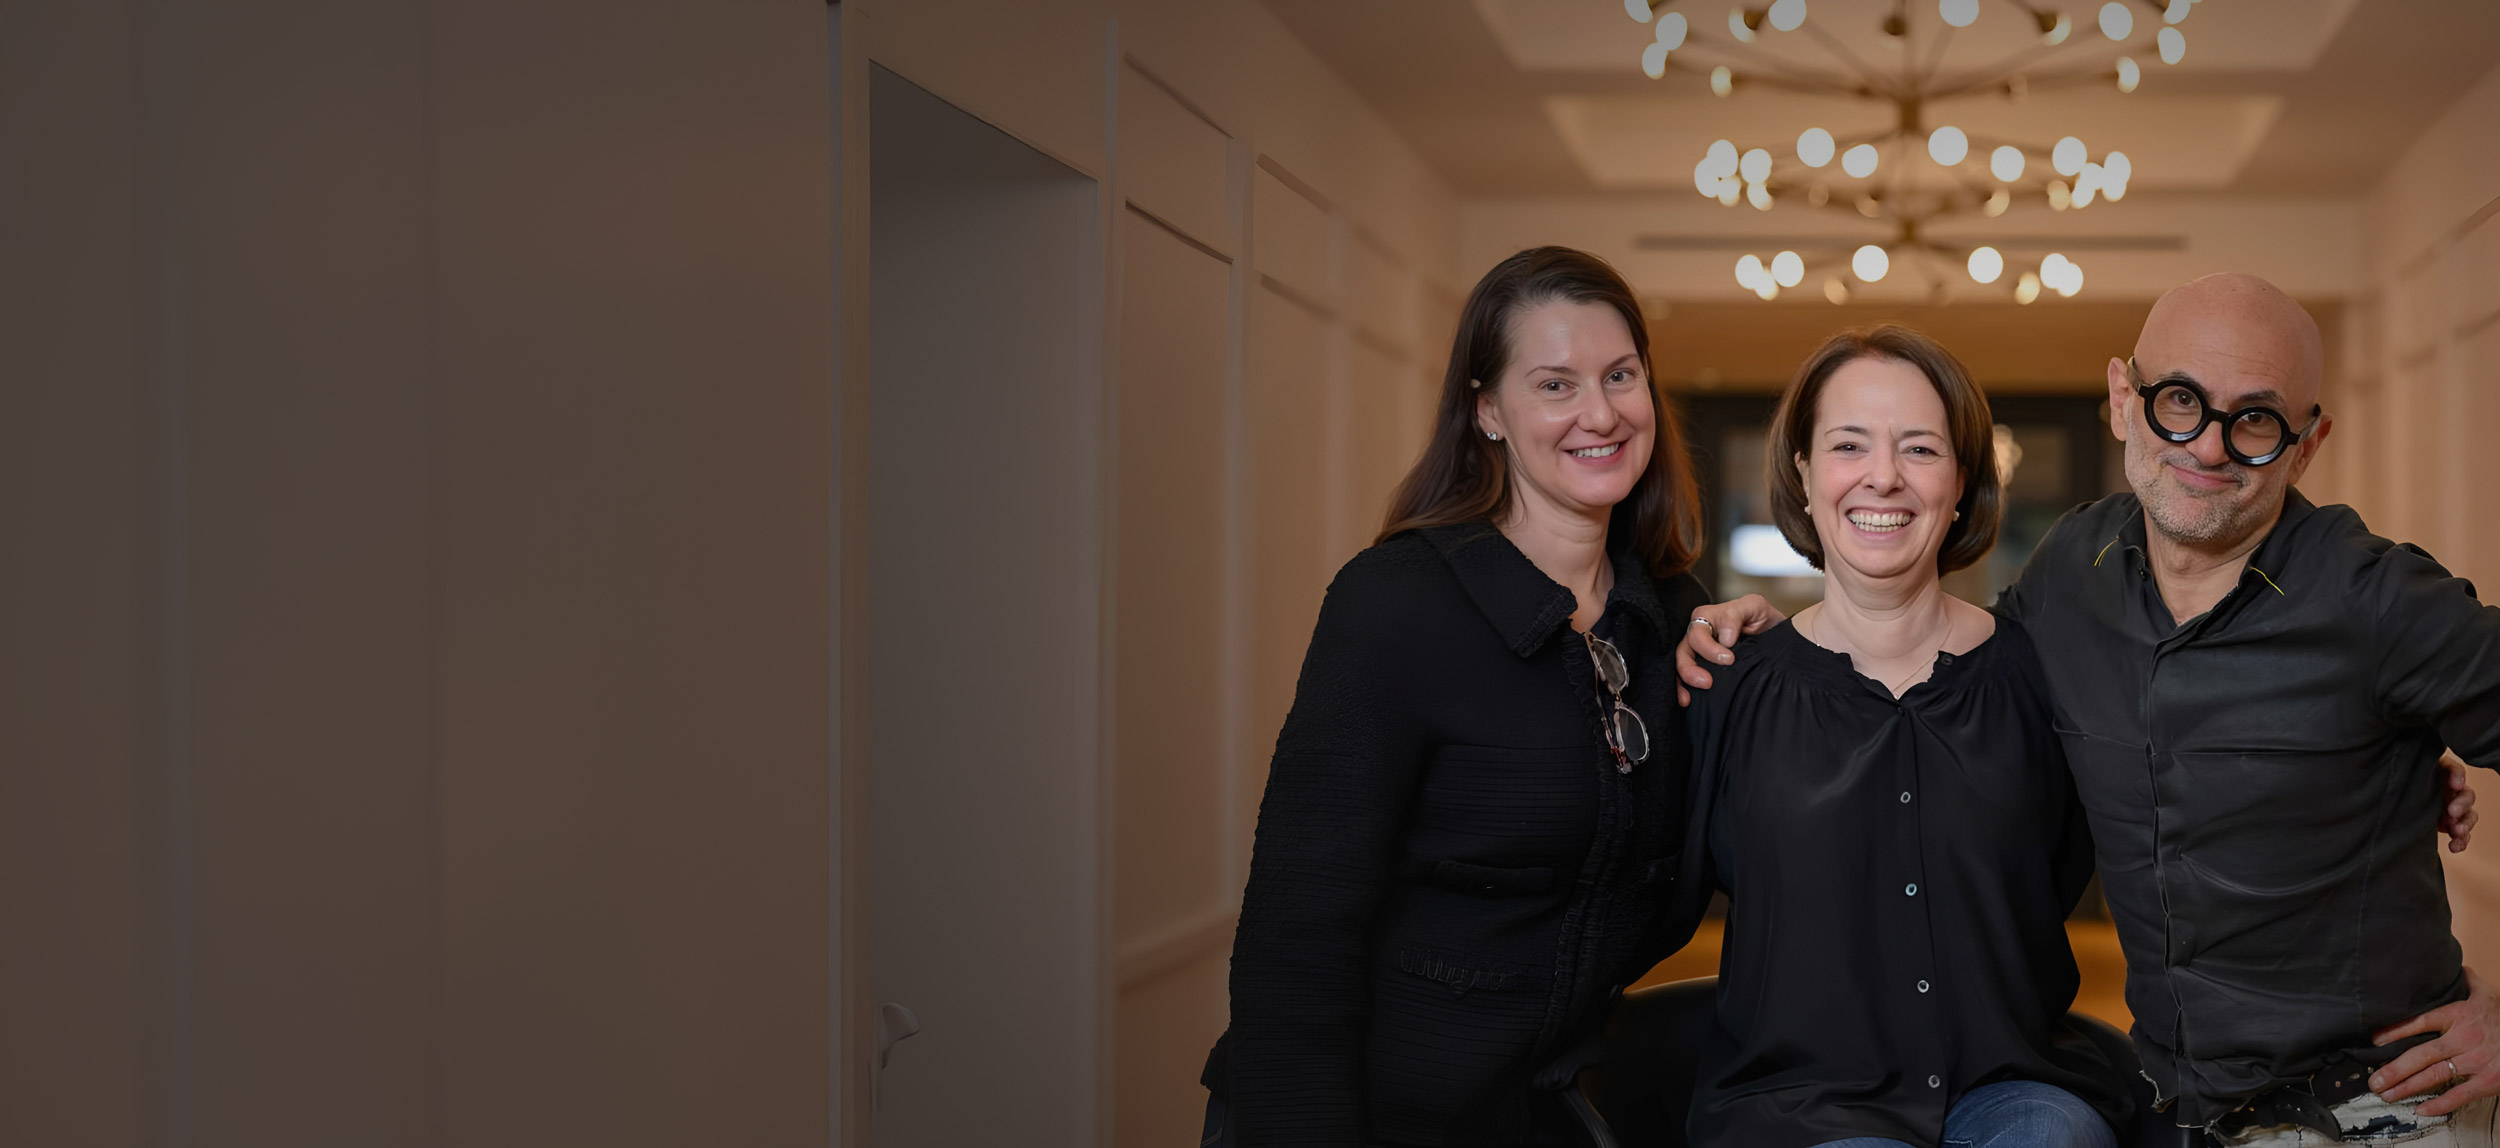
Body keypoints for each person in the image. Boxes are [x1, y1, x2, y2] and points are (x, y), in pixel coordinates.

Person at [1678, 274, 2497, 1147]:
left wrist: (2398, 762)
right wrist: (1767, 644)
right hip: (2185, 1116)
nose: (2207, 446)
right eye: (2179, 400)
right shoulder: (2075, 573)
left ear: (2306, 445)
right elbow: (1933, 671)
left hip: (2377, 1108)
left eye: (2255, 419)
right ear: (2123, 399)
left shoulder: (2380, 601)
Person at [1198, 247, 1718, 1147]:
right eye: (1554, 385)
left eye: (1620, 375)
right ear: (1487, 411)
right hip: (1356, 1119)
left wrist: (1772, 657)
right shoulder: (1396, 603)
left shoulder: (1671, 616)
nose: (1601, 413)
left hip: (1535, 1118)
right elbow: (1297, 935)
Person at [1684, 325, 2130, 1148]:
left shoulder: (2038, 678)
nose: (1883, 475)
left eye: (1920, 448)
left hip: (2010, 1089)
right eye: (1849, 444)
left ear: (1962, 482)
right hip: (1800, 1107)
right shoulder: (1729, 686)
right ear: (1804, 474)